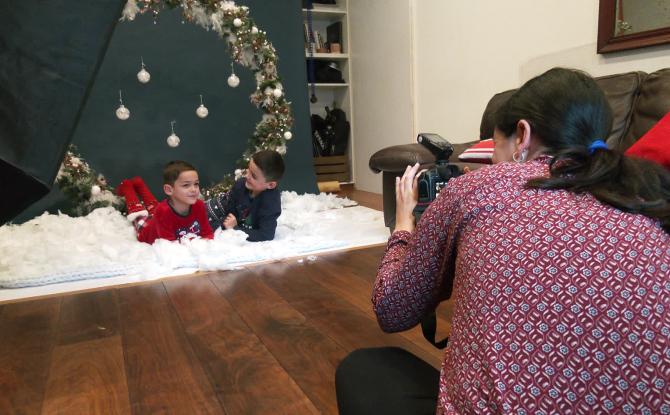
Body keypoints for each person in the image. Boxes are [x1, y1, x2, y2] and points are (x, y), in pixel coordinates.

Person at [336, 68, 670, 414]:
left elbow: (393, 309)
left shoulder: (477, 189)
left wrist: (403, 225)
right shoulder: (646, 199)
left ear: (522, 135)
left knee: (363, 369)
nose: (493, 161)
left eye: (495, 147)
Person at [116, 160, 214, 244]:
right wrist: (196, 242)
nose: (194, 189)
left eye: (196, 184)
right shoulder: (163, 212)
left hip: (159, 218)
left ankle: (139, 184)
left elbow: (208, 233)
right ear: (169, 190)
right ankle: (126, 186)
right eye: (186, 185)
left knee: (154, 208)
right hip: (147, 231)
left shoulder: (199, 205)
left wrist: (203, 242)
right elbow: (169, 246)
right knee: (138, 213)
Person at [206, 149, 284, 242]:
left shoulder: (271, 204)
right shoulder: (240, 185)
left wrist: (236, 228)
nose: (247, 176)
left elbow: (266, 234)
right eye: (248, 169)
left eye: (253, 176)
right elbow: (229, 212)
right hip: (217, 209)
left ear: (270, 185)